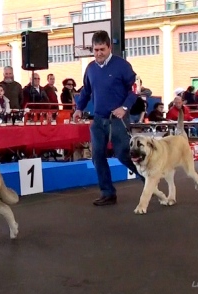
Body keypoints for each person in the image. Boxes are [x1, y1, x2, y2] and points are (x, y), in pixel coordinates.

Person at [73, 30, 143, 207]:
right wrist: (78, 108)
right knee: (97, 156)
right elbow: (86, 91)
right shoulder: (90, 68)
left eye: (102, 49)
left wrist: (125, 107)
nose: (98, 54)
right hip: (98, 120)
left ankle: (150, 180)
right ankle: (108, 193)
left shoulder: (122, 66)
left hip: (117, 120)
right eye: (95, 50)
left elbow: (136, 86)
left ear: (109, 47)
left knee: (124, 155)